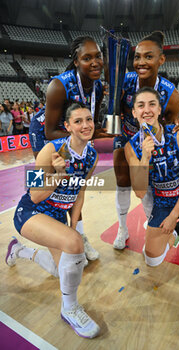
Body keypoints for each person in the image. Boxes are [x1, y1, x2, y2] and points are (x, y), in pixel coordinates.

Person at [125, 87, 179, 342]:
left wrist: (175, 215)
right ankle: (176, 230)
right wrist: (144, 156)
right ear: (134, 112)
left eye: (152, 104)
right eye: (140, 105)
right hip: (161, 202)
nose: (147, 109)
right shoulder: (131, 147)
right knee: (152, 261)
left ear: (159, 109)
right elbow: (140, 193)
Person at [6, 103, 100, 338]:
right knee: (74, 247)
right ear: (67, 126)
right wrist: (58, 175)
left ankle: (19, 251)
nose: (85, 125)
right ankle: (69, 309)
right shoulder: (51, 149)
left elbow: (80, 192)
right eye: (78, 121)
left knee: (64, 270)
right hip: (30, 212)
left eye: (89, 119)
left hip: (57, 216)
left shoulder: (92, 155)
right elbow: (36, 194)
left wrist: (74, 226)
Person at [29, 36, 106, 263]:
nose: (95, 62)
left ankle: (78, 234)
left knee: (74, 183)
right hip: (45, 133)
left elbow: (92, 122)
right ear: (75, 61)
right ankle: (47, 226)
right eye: (87, 58)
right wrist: (83, 137)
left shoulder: (98, 86)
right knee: (51, 185)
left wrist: (98, 131)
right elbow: (51, 131)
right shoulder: (58, 85)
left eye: (98, 56)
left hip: (73, 133)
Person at [113, 31, 179, 249]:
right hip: (127, 135)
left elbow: (172, 130)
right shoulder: (124, 82)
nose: (141, 62)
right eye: (137, 57)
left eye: (148, 56)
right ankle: (122, 228)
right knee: (122, 178)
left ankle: (155, 222)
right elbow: (114, 112)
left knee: (148, 184)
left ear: (161, 59)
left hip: (152, 142)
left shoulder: (171, 94)